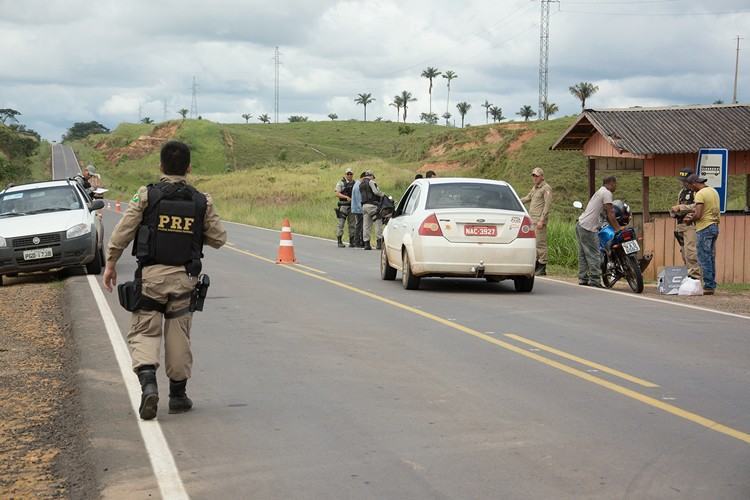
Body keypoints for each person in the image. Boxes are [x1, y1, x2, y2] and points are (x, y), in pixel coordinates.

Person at [102, 141, 227, 420]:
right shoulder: (201, 201)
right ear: (189, 168)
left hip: (151, 278)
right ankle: (178, 396)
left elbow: (123, 232)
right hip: (184, 279)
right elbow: (219, 239)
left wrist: (110, 263)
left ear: (161, 166)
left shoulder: (146, 196)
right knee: (178, 335)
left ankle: (148, 386)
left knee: (145, 330)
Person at [576, 176, 624, 287]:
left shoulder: (599, 192)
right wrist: (618, 228)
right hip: (589, 227)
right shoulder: (607, 193)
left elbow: (604, 214)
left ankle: (583, 278)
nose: (616, 186)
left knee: (583, 254)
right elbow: (610, 213)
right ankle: (595, 280)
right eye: (615, 184)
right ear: (611, 183)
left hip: (580, 224)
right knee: (594, 254)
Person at [684, 173, 720, 295]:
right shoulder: (713, 191)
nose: (690, 189)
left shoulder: (700, 194)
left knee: (704, 258)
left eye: (690, 186)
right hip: (714, 226)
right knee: (710, 257)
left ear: (694, 184)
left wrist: (689, 219)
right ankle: (711, 284)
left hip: (704, 227)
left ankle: (708, 286)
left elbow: (699, 215)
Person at [520, 167, 552, 276]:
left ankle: (542, 266)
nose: (535, 178)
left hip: (539, 221)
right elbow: (528, 197)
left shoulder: (546, 188)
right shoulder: (535, 188)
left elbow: (547, 206)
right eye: (533, 176)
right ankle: (537, 264)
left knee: (540, 243)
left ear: (542, 177)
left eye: (537, 176)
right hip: (532, 220)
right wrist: (516, 201)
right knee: (534, 243)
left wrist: (542, 220)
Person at [670, 168, 700, 280]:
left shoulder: (696, 192)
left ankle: (695, 277)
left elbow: (696, 206)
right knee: (684, 252)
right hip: (680, 225)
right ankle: (689, 274)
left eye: (685, 181)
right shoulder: (682, 192)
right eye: (682, 181)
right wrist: (674, 212)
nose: (683, 183)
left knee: (691, 251)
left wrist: (681, 208)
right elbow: (678, 205)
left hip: (691, 225)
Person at [360, 170, 384, 250]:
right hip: (372, 205)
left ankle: (366, 243)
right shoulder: (371, 182)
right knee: (378, 223)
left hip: (364, 206)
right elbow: (375, 192)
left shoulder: (361, 184)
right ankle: (379, 243)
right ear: (371, 175)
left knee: (366, 225)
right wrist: (382, 194)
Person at [334, 167, 356, 248]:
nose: (349, 175)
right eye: (348, 174)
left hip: (352, 206)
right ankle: (339, 241)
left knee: (352, 224)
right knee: (341, 224)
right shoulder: (341, 183)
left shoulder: (355, 183)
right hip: (343, 205)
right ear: (345, 174)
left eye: (351, 174)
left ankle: (352, 241)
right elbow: (337, 193)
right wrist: (346, 197)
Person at [350, 172, 365, 248]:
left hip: (356, 209)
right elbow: (359, 200)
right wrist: (363, 210)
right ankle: (357, 242)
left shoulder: (356, 184)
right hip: (358, 209)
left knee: (359, 225)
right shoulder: (358, 186)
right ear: (363, 178)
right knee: (359, 225)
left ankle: (358, 241)